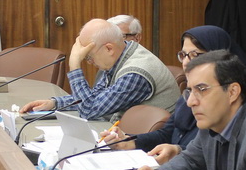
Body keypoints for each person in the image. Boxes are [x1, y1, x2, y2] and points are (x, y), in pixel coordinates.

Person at [101, 25, 246, 164]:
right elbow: (167, 134)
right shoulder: (190, 94)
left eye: (195, 55)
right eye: (183, 55)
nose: (186, 62)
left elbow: (210, 157)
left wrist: (177, 153)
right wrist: (130, 141)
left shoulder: (229, 103)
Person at [20, 19, 179, 122]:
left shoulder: (135, 73)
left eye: (89, 57)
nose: (90, 63)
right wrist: (54, 103)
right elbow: (96, 99)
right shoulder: (121, 54)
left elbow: (89, 111)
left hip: (147, 149)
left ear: (109, 48)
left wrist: (74, 66)